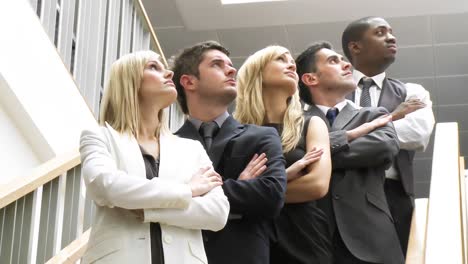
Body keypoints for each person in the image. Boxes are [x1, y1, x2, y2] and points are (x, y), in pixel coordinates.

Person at [79, 50, 229, 264]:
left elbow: (217, 213)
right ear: (129, 81)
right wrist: (188, 190)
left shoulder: (192, 148)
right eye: (153, 67)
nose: (168, 73)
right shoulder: (100, 137)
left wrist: (149, 210)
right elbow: (105, 186)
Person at [172, 41, 287, 264]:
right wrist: (240, 184)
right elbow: (157, 201)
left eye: (230, 65)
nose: (232, 69)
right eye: (217, 64)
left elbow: (271, 196)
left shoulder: (262, 136)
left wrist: (190, 192)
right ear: (188, 81)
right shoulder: (168, 143)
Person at [296, 42, 404, 264]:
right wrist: (352, 138)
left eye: (343, 59)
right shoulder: (294, 126)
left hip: (372, 239)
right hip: (315, 241)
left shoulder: (374, 115)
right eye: (333, 61)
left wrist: (317, 157)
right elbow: (296, 160)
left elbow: (384, 148)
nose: (346, 65)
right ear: (310, 79)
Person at [342, 16, 435, 255]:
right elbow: (319, 138)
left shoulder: (413, 92)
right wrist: (392, 119)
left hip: (393, 196)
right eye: (381, 32)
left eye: (391, 32)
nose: (391, 37)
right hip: (340, 196)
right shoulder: (331, 91)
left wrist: (347, 136)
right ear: (355, 46)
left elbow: (417, 134)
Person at [234, 45, 333, 264]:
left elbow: (317, 185)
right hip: (250, 240)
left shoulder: (311, 123)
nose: (291, 64)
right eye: (280, 59)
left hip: (305, 237)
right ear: (256, 72)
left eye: (292, 61)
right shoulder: (235, 133)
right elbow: (222, 193)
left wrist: (252, 194)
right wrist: (285, 177)